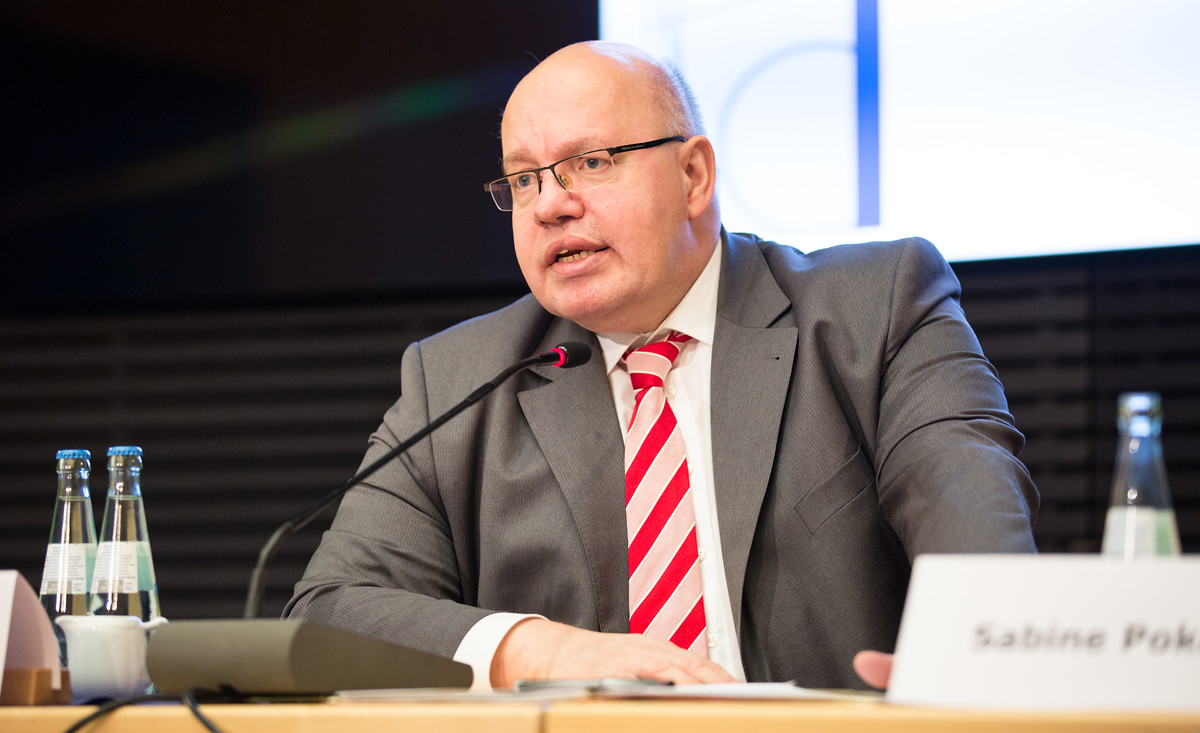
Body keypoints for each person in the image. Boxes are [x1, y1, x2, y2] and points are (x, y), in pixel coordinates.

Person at [285, 41, 1039, 690]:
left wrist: (973, 656)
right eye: (524, 179)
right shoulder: (458, 380)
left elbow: (978, 545)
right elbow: (328, 609)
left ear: (694, 177)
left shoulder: (875, 310)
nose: (549, 205)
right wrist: (538, 650)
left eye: (590, 162)